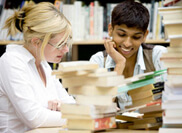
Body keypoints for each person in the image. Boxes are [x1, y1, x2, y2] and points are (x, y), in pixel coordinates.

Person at [0, 2, 75, 133]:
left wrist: (65, 108)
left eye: (67, 42)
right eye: (60, 44)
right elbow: (34, 117)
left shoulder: (43, 63)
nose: (66, 49)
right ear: (36, 42)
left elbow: (70, 103)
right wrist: (76, 116)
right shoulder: (11, 62)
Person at [89, 0, 167, 109]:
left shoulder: (158, 55)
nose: (127, 43)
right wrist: (120, 64)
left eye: (136, 37)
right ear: (110, 30)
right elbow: (99, 109)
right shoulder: (98, 61)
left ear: (145, 35)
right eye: (121, 34)